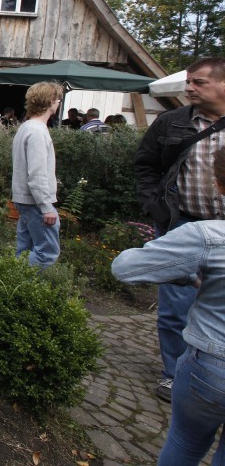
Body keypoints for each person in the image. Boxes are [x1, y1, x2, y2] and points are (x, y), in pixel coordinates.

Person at [112, 146, 225, 465]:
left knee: (185, 442)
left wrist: (190, 275)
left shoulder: (210, 236)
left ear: (218, 185)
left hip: (212, 366)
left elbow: (125, 268)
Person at [134, 56, 225, 403]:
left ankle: (213, 369)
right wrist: (154, 206)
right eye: (187, 81)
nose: (189, 88)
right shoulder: (171, 122)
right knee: (175, 305)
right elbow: (145, 165)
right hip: (181, 222)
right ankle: (175, 373)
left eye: (198, 82)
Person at [11, 81, 64, 268]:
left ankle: (10, 281)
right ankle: (17, 283)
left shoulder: (27, 127)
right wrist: (46, 206)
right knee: (46, 253)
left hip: (26, 199)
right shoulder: (37, 131)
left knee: (24, 250)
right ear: (50, 102)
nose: (58, 103)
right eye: (57, 99)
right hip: (35, 201)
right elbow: (37, 173)